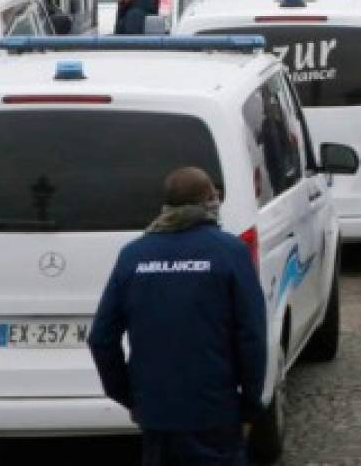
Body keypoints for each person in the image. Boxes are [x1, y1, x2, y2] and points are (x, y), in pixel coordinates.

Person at [89, 167, 267, 466]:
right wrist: (250, 404)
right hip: (215, 409)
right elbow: (251, 334)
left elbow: (101, 338)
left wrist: (129, 397)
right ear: (210, 200)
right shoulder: (230, 252)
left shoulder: (133, 255)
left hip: (157, 413)